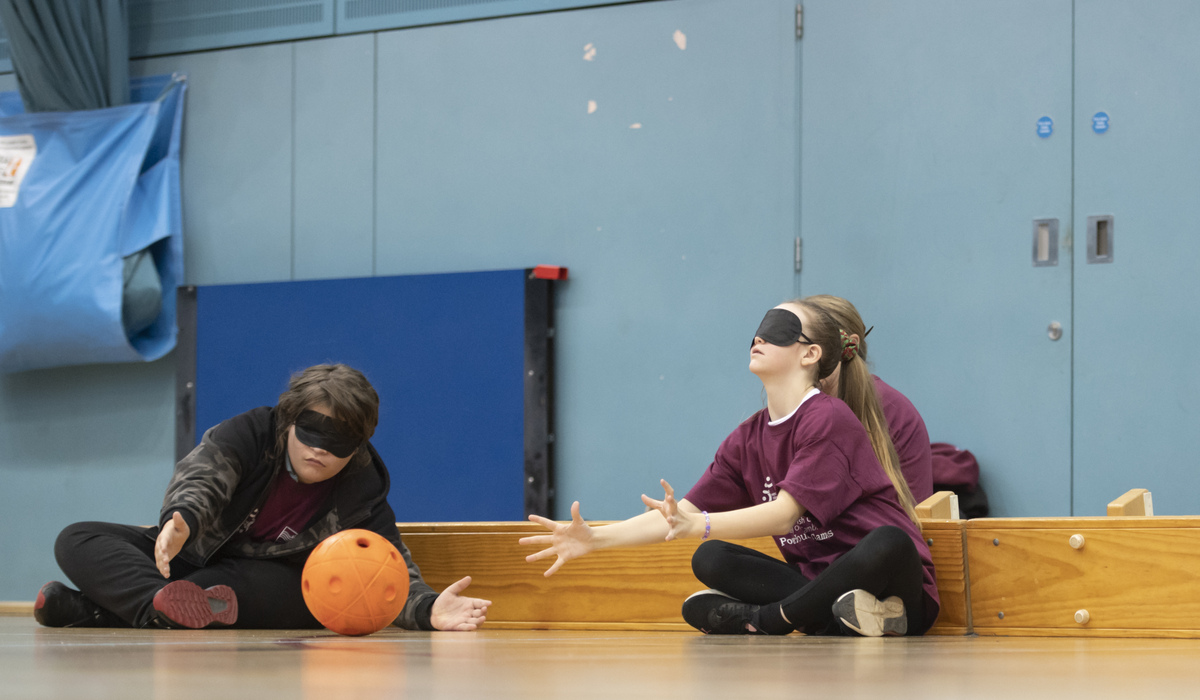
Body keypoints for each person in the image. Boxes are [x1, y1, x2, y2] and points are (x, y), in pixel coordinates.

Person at [521, 300, 939, 636]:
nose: (759, 337)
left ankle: (770, 619)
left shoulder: (828, 418)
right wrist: (596, 538)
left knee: (888, 542)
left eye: (779, 330)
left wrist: (699, 524)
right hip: (818, 584)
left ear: (811, 353)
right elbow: (678, 515)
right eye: (758, 330)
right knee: (711, 558)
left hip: (894, 585)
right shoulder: (748, 437)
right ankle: (843, 619)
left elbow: (784, 513)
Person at [34, 364, 491, 631]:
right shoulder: (251, 433)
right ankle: (160, 608)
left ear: (359, 445)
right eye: (311, 432)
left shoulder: (360, 489)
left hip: (260, 582)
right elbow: (205, 474)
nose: (319, 449)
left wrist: (431, 610)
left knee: (292, 595)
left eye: (338, 442)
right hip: (189, 555)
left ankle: (105, 609)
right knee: (77, 538)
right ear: (289, 419)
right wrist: (183, 518)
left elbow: (386, 569)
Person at [805, 294, 934, 503]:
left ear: (847, 346)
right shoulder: (790, 408)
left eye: (810, 345)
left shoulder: (894, 410)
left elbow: (913, 519)